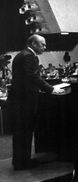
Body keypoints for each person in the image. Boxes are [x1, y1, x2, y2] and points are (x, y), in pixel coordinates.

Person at [8, 35, 64, 170]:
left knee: (21, 133)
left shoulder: (23, 54)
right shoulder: (28, 56)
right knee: (25, 132)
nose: (45, 47)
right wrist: (51, 89)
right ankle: (23, 163)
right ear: (33, 43)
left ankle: (20, 161)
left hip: (20, 100)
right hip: (25, 102)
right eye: (42, 45)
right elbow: (32, 76)